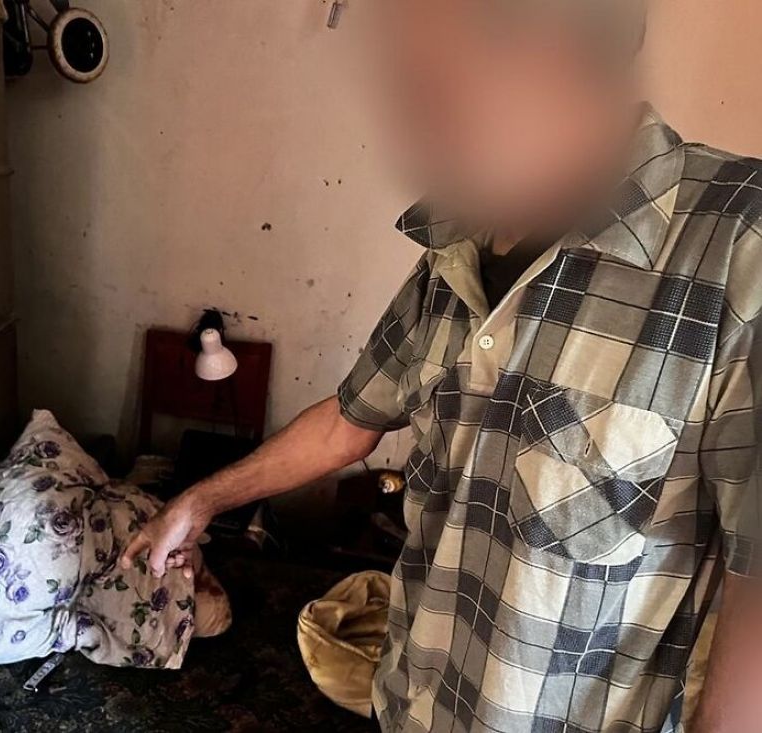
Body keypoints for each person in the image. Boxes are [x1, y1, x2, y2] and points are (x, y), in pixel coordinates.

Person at [122, 1, 762, 731]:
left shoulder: (736, 247)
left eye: (434, 91)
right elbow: (347, 423)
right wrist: (200, 503)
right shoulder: (456, 249)